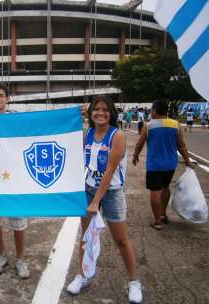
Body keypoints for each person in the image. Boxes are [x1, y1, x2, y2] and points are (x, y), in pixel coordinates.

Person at [67, 95, 142, 303]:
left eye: (105, 109)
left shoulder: (116, 136)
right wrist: (74, 115)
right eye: (96, 109)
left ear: (112, 113)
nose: (100, 113)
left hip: (111, 193)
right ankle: (83, 275)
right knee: (86, 238)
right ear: (91, 113)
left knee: (121, 240)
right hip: (89, 189)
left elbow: (109, 171)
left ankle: (133, 281)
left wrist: (95, 202)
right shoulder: (88, 133)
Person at [0, 82, 30, 279]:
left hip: (14, 180)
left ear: (7, 98)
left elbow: (39, 126)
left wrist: (71, 115)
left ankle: (20, 258)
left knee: (18, 221)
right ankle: (1, 256)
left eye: (1, 95)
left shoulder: (16, 119)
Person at [132, 100, 193, 230]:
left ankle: (157, 221)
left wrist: (135, 155)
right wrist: (187, 161)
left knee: (155, 191)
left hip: (154, 165)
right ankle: (164, 214)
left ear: (154, 111)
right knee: (165, 187)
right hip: (170, 165)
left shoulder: (149, 126)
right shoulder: (175, 125)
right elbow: (181, 145)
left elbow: (140, 143)